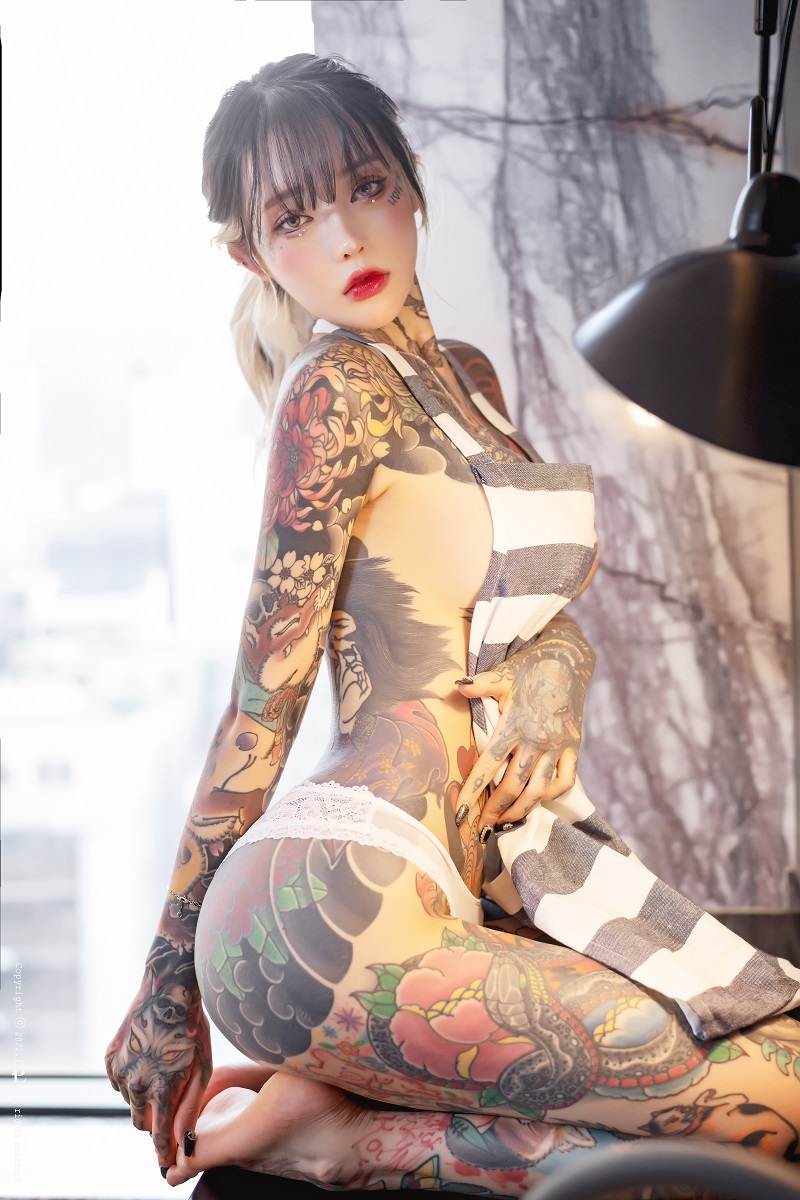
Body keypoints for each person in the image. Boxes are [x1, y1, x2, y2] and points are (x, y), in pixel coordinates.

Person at [105, 54, 800, 1193]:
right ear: (253, 255)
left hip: (461, 884)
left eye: (367, 186)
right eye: (293, 217)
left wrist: (558, 674)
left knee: (766, 1093)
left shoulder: (467, 380)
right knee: (777, 1098)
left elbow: (525, 613)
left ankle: (342, 1114)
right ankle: (336, 1142)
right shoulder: (331, 392)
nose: (344, 236)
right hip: (334, 894)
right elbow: (258, 705)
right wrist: (165, 983)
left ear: (409, 183)